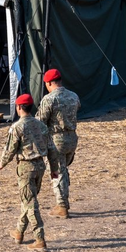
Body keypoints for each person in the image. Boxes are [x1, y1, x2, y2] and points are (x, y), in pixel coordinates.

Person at [0, 93, 58, 251]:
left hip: (25, 168)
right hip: (40, 166)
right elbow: (52, 148)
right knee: (28, 201)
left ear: (18, 107)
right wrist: (54, 169)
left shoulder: (17, 127)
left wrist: (2, 163)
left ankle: (40, 238)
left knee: (31, 204)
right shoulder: (41, 125)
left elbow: (10, 149)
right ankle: (19, 232)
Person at [37, 68, 80, 219]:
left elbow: (41, 121)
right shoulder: (74, 96)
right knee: (63, 170)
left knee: (57, 172)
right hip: (72, 138)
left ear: (48, 83)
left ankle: (61, 206)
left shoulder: (49, 99)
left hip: (56, 141)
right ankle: (63, 202)